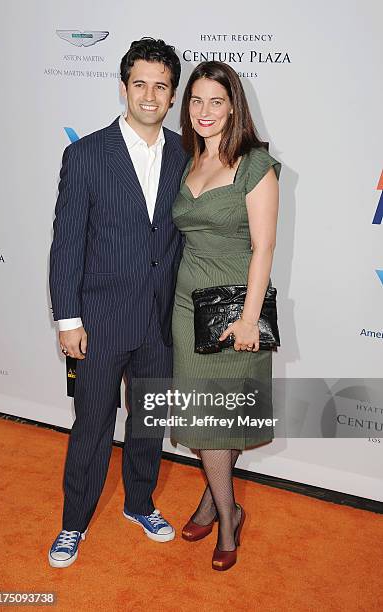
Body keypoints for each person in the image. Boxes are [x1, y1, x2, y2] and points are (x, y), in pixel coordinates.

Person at [48, 38, 188, 568]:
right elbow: (67, 244)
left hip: (159, 321)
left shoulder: (183, 153)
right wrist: (68, 318)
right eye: (140, 84)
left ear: (172, 94)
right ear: (124, 86)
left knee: (149, 421)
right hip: (100, 321)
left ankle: (140, 503)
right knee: (92, 425)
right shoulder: (85, 154)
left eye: (160, 86)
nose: (149, 95)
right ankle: (73, 523)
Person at [171, 61, 281, 571]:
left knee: (218, 419)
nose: (204, 111)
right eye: (196, 100)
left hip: (235, 307)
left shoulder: (255, 164)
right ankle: (217, 502)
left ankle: (227, 515)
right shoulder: (186, 160)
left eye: (216, 100)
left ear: (234, 106)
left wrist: (248, 320)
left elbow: (264, 247)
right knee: (202, 415)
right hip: (186, 306)